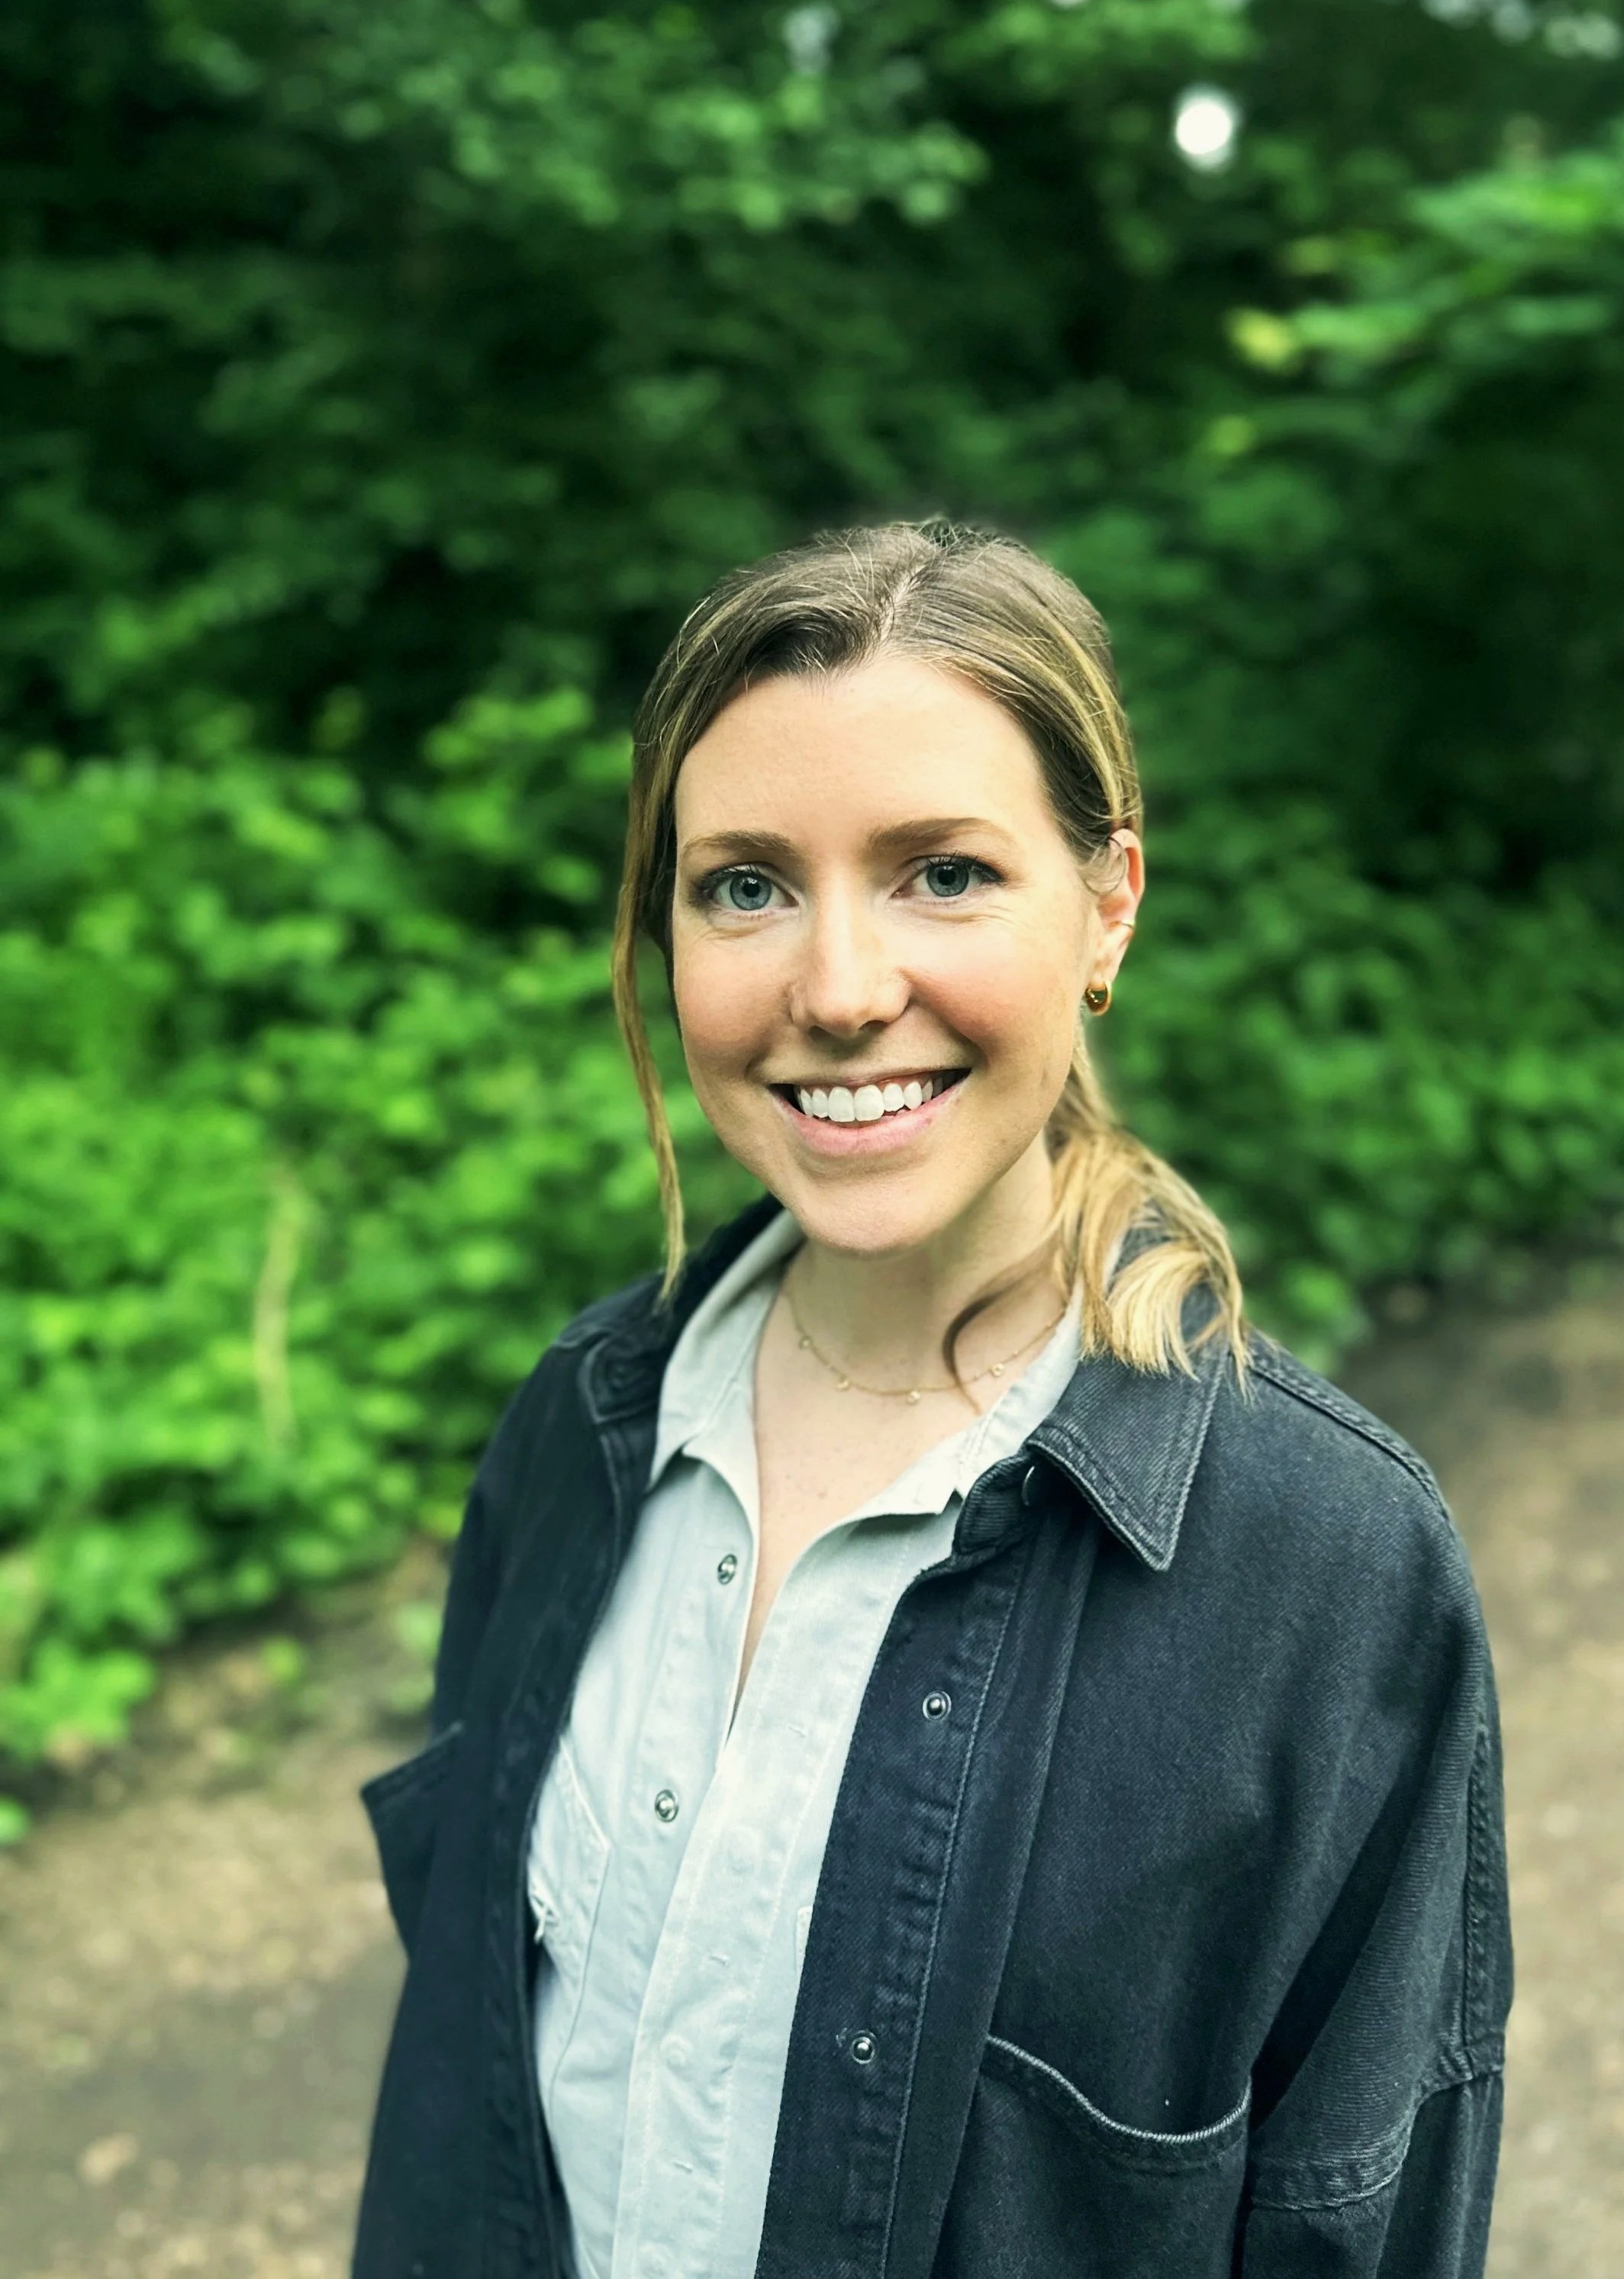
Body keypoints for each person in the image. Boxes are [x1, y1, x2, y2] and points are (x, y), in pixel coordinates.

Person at [350, 520, 1511, 2279]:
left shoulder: (1324, 1571)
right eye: (741, 883)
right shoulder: (576, 1432)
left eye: (941, 872)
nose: (833, 988)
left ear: (1107, 897)